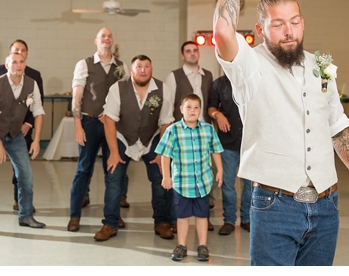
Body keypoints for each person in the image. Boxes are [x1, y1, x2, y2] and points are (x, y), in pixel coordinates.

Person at [212, 0, 349, 266]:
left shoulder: (323, 66)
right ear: (261, 30)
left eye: (295, 22)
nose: (289, 31)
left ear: (303, 23)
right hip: (275, 205)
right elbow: (222, 32)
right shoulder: (249, 65)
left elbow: (337, 125)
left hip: (326, 206)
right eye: (278, 24)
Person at [95, 55, 174, 242]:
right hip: (123, 137)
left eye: (147, 66)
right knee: (114, 178)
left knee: (160, 177)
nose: (143, 70)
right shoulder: (118, 88)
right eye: (139, 66)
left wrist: (161, 154)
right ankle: (110, 223)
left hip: (152, 137)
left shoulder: (163, 89)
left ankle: (162, 222)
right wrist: (114, 153)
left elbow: (166, 123)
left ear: (152, 70)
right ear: (132, 70)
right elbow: (109, 120)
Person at [0, 52, 46, 237]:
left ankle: (26, 216)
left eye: (22, 61)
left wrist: (37, 140)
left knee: (26, 176)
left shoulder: (32, 84)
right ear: (7, 66)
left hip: (15, 136)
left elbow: (38, 112)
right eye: (14, 62)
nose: (19, 65)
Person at [67, 28, 123, 232]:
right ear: (96, 41)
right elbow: (77, 96)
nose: (107, 38)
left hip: (112, 124)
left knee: (114, 171)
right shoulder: (84, 64)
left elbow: (123, 95)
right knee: (83, 169)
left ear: (112, 40)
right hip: (89, 123)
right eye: (103, 36)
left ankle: (113, 215)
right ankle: (74, 215)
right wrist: (77, 124)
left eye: (110, 35)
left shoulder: (121, 66)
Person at [158, 95, 224, 262]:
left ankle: (202, 245)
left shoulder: (208, 129)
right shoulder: (173, 130)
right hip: (182, 183)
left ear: (200, 110)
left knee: (202, 216)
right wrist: (166, 176)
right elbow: (165, 155)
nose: (192, 110)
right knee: (182, 216)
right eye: (188, 107)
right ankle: (182, 245)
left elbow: (215, 150)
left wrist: (220, 170)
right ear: (181, 109)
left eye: (196, 107)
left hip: (203, 182)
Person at [206, 74, 252, 234]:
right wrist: (218, 114)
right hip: (227, 143)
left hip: (250, 143)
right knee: (227, 184)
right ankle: (229, 221)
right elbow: (210, 107)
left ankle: (247, 219)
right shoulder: (219, 84)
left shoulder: (251, 79)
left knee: (250, 185)